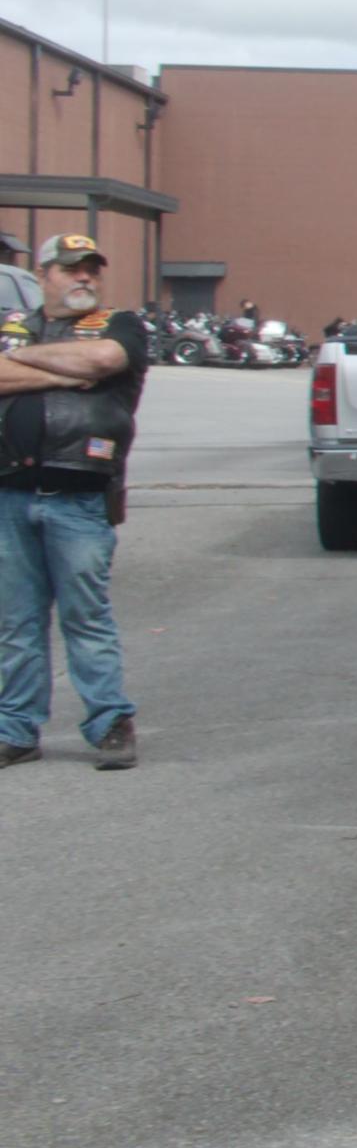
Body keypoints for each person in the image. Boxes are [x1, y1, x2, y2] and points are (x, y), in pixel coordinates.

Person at [0, 232, 151, 771]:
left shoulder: (120, 325)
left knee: (86, 617)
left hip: (80, 497)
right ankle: (15, 731)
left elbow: (105, 358)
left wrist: (22, 364)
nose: (84, 276)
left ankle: (110, 724)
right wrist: (64, 369)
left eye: (91, 268)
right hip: (10, 494)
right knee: (15, 623)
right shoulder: (12, 326)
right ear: (43, 275)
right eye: (70, 268)